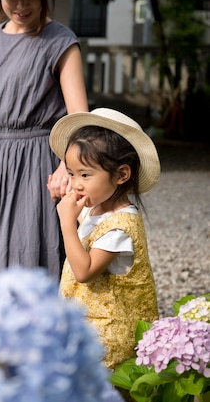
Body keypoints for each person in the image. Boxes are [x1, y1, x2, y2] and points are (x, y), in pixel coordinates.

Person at [0, 0, 88, 280]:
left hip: (39, 161)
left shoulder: (61, 41)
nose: (20, 7)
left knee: (31, 251)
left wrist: (67, 166)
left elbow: (79, 116)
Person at [49, 107, 160, 370]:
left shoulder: (120, 228)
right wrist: (75, 213)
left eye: (85, 175)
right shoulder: (100, 210)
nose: (76, 184)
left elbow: (84, 270)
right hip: (90, 330)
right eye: (73, 174)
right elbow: (90, 227)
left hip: (108, 341)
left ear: (122, 174)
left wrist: (66, 222)